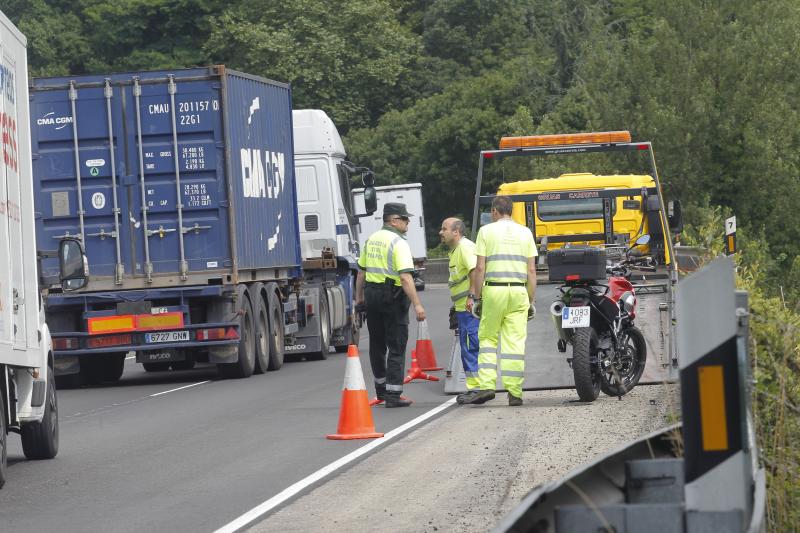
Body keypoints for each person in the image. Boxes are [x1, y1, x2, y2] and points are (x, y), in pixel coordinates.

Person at [458, 195, 537, 406]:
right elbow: (531, 270)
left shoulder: (486, 231)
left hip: (494, 290)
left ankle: (487, 386)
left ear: (494, 211)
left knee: (488, 339)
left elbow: (480, 267)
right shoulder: (525, 232)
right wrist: (531, 299)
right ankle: (515, 393)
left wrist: (476, 296)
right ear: (510, 210)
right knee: (515, 343)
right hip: (519, 291)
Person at [355, 203, 426, 408]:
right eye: (404, 219)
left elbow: (361, 273)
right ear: (393, 220)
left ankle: (381, 391)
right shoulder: (398, 242)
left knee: (377, 345)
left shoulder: (371, 240)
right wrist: (418, 304)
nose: (408, 222)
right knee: (396, 345)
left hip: (371, 295)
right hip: (392, 297)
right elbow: (405, 277)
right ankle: (394, 395)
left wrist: (359, 299)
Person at [439, 217, 480, 393]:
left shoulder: (465, 248)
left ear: (456, 232)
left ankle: (477, 389)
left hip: (469, 309)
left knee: (471, 347)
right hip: (462, 309)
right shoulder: (456, 250)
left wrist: (471, 297)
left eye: (444, 229)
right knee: (467, 347)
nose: (441, 232)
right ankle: (475, 388)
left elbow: (475, 271)